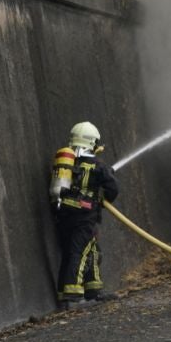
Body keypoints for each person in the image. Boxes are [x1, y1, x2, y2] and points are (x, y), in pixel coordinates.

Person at [50, 121, 119, 309]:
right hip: (85, 216)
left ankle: (92, 291)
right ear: (92, 142)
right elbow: (113, 188)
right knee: (78, 253)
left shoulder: (69, 162)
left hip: (64, 214)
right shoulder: (98, 166)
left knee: (89, 251)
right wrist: (104, 199)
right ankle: (73, 295)